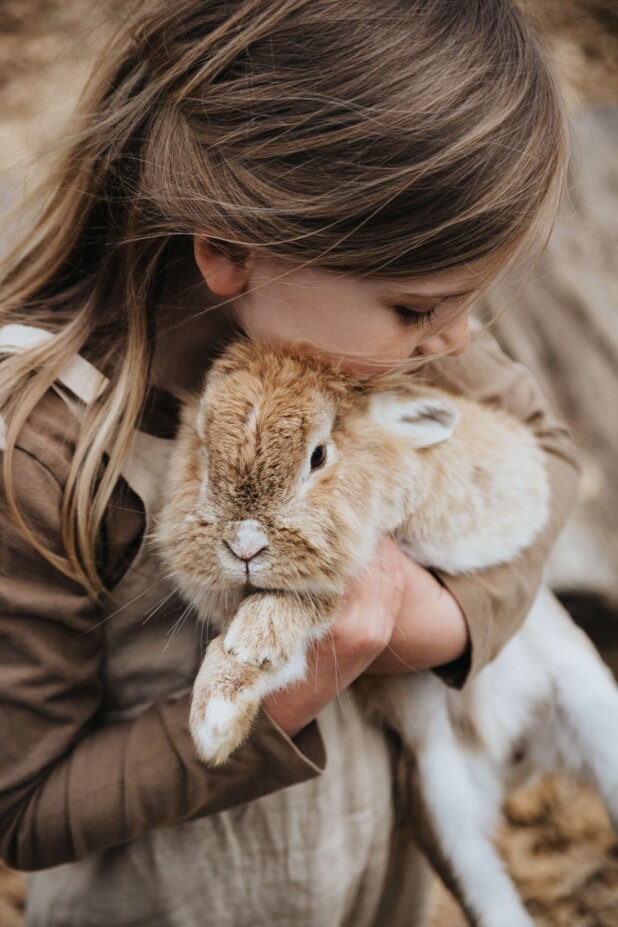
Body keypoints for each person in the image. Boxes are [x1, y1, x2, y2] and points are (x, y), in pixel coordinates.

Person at [0, 1, 580, 925]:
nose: (461, 337)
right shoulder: (47, 449)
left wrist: (439, 621)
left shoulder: (384, 333)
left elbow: (548, 457)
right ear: (231, 252)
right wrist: (283, 686)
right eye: (422, 306)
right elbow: (23, 807)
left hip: (379, 891)